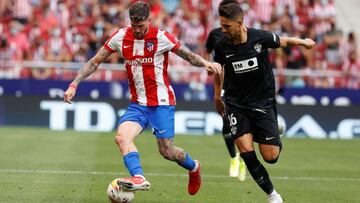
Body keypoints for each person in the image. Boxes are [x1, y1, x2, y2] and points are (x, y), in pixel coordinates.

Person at [63, 1, 221, 196]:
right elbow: (95, 61)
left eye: (141, 26)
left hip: (161, 103)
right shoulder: (120, 37)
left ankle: (194, 167)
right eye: (134, 25)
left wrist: (206, 63)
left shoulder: (161, 37)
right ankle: (138, 177)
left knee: (167, 152)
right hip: (138, 104)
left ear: (149, 20)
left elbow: (187, 55)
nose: (137, 30)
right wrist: (74, 84)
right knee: (121, 137)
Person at [213, 3, 315, 203]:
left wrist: (303, 42)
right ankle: (273, 195)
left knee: (271, 157)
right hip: (235, 103)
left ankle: (272, 129)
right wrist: (217, 96)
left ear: (240, 23)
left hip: (262, 102)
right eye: (222, 25)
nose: (223, 30)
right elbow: (218, 70)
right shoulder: (221, 45)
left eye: (226, 26)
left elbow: (282, 41)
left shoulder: (259, 37)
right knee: (245, 150)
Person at [205, 0, 247, 181]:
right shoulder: (215, 34)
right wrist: (209, 65)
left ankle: (245, 158)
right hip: (225, 85)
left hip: (245, 87)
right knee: (227, 124)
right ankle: (233, 158)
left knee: (245, 125)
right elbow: (207, 51)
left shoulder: (245, 34)